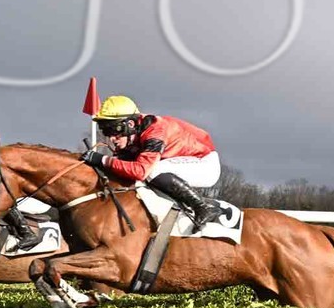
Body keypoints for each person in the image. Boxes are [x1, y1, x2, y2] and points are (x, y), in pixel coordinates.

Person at [80, 95, 231, 232]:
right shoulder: (132, 137)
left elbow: (141, 171)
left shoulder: (156, 131)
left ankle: (202, 207)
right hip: (179, 161)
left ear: (130, 124)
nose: (111, 138)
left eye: (114, 130)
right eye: (106, 132)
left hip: (204, 163)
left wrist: (102, 160)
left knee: (153, 171)